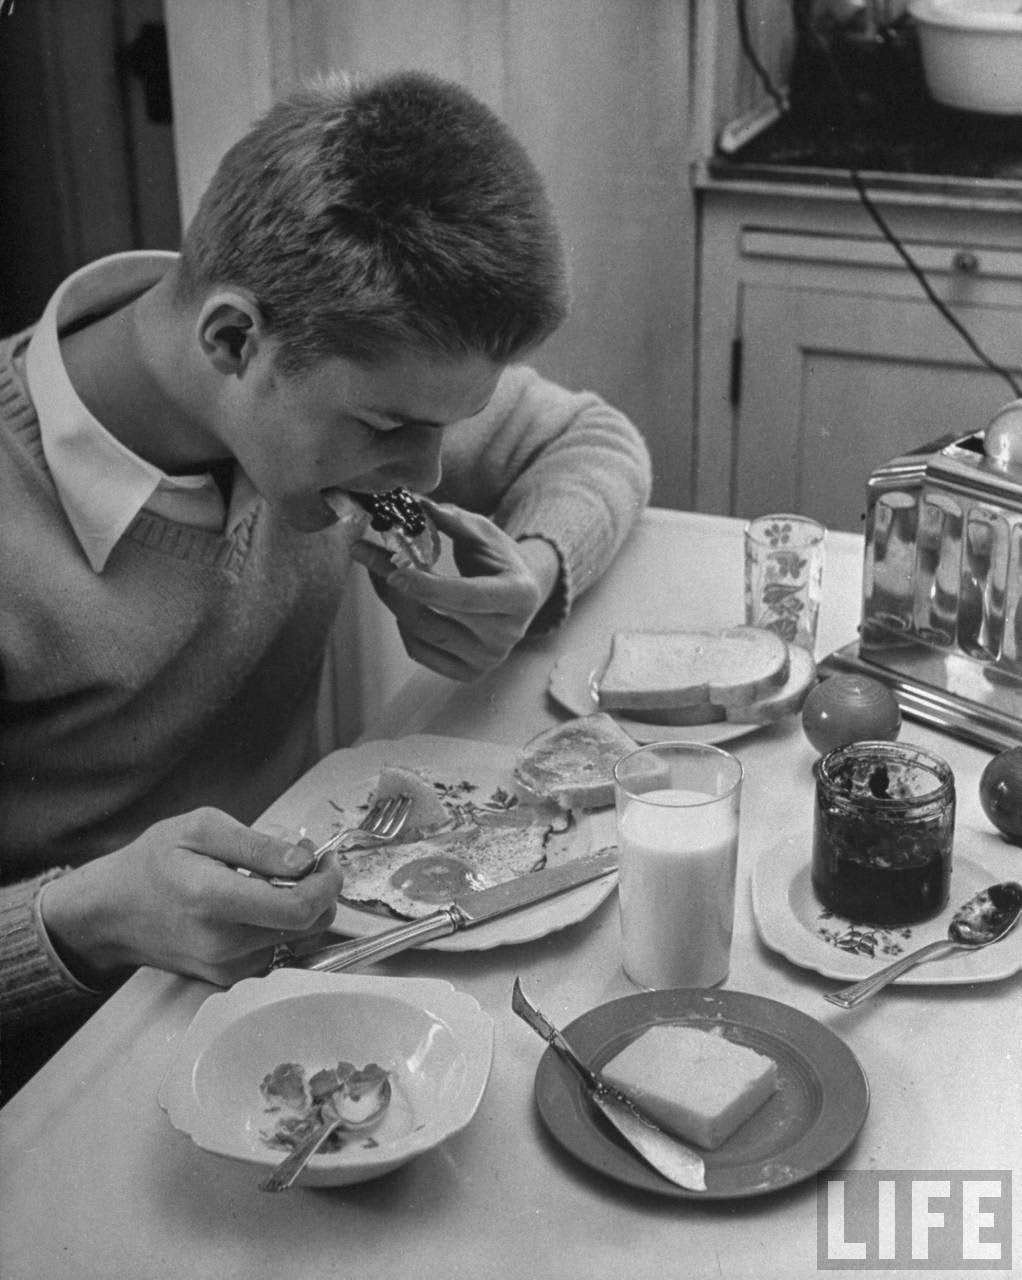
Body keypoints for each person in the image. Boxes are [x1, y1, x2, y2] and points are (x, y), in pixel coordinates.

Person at [0, 71, 650, 1055]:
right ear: (232, 339)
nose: (428, 472)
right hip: (70, 1063)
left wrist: (531, 567)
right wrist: (82, 918)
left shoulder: (327, 374)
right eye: (391, 424)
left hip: (309, 973)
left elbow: (594, 441)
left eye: (446, 428)